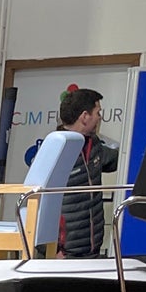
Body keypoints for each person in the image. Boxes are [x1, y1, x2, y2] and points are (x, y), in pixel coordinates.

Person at [56, 86, 119, 258]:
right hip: (64, 255)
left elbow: (123, 158)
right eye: (98, 112)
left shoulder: (95, 147)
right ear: (85, 116)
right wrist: (52, 249)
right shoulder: (56, 150)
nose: (99, 118)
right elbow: (37, 200)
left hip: (92, 250)